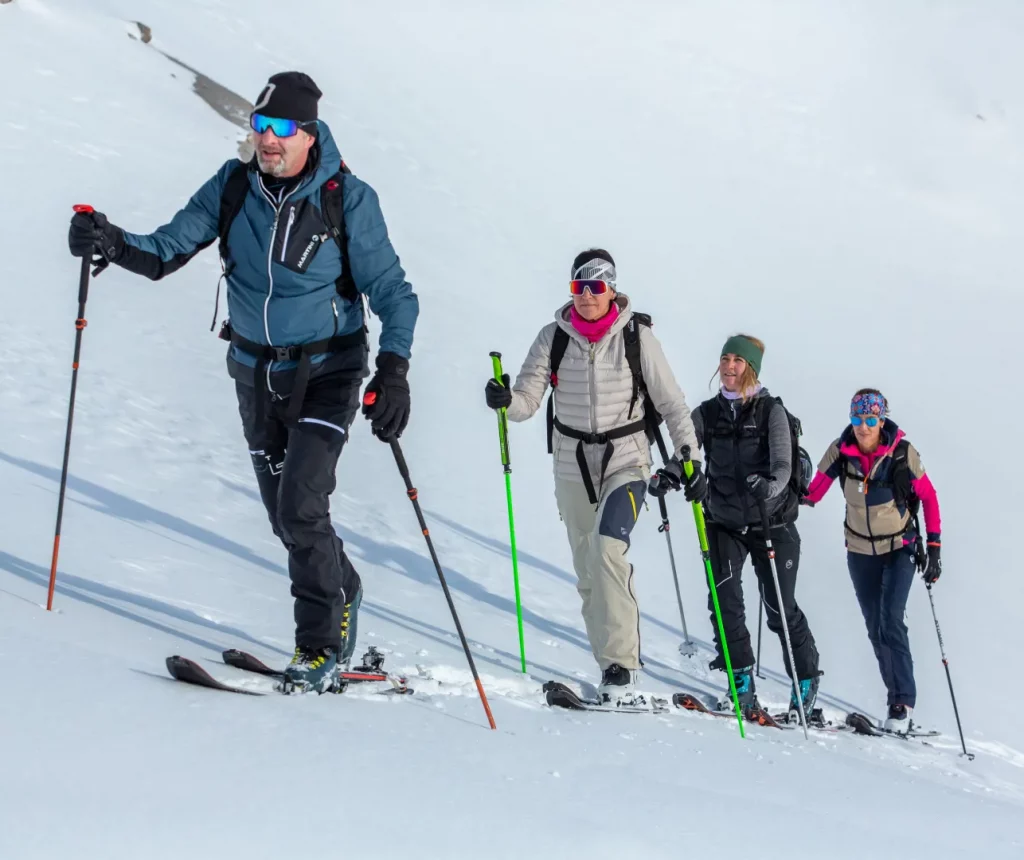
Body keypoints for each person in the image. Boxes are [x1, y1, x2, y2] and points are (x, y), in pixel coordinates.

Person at [67, 71, 419, 694]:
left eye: (282, 128)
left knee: (301, 504)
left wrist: (393, 371)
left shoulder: (346, 198)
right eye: (260, 126)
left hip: (328, 371)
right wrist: (110, 241)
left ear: (309, 133)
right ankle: (345, 588)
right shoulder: (233, 188)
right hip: (254, 372)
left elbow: (393, 293)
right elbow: (166, 251)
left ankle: (318, 646)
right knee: (285, 520)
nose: (269, 140)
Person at [484, 249, 703, 705]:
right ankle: (608, 663)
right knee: (587, 569)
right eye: (578, 287)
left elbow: (672, 403)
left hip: (627, 459)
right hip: (571, 462)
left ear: (612, 289)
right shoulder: (553, 337)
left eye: (596, 287)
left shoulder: (637, 337)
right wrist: (506, 400)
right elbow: (527, 399)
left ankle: (625, 666)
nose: (586, 296)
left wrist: (689, 456)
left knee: (608, 549)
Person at [686, 335, 821, 720]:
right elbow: (687, 450)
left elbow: (783, 466)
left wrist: (768, 487)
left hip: (771, 521)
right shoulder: (707, 413)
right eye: (725, 359)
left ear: (752, 369)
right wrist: (674, 474)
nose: (729, 366)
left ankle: (806, 677)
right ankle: (740, 680)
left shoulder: (770, 412)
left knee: (779, 607)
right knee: (725, 603)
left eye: (738, 361)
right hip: (724, 520)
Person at [802, 389, 941, 734]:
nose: (863, 427)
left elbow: (929, 496)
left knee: (891, 620)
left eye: (870, 420)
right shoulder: (840, 451)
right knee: (874, 627)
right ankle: (894, 693)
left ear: (881, 420)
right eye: (857, 419)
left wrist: (935, 546)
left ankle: (902, 702)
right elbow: (813, 492)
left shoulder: (902, 454)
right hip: (860, 551)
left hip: (900, 547)